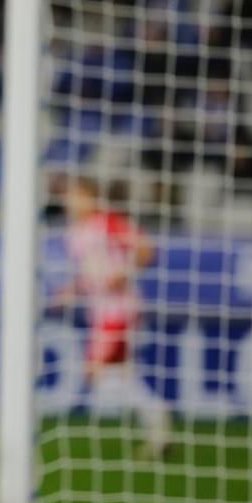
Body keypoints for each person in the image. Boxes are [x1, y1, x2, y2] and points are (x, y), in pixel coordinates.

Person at [55, 175, 171, 458]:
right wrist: (70, 291)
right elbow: (90, 275)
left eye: (75, 196)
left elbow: (144, 247)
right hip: (100, 310)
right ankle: (157, 424)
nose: (70, 203)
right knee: (117, 372)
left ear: (90, 196)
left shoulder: (107, 221)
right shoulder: (73, 234)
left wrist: (124, 273)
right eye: (68, 198)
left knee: (94, 370)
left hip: (119, 309)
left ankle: (156, 417)